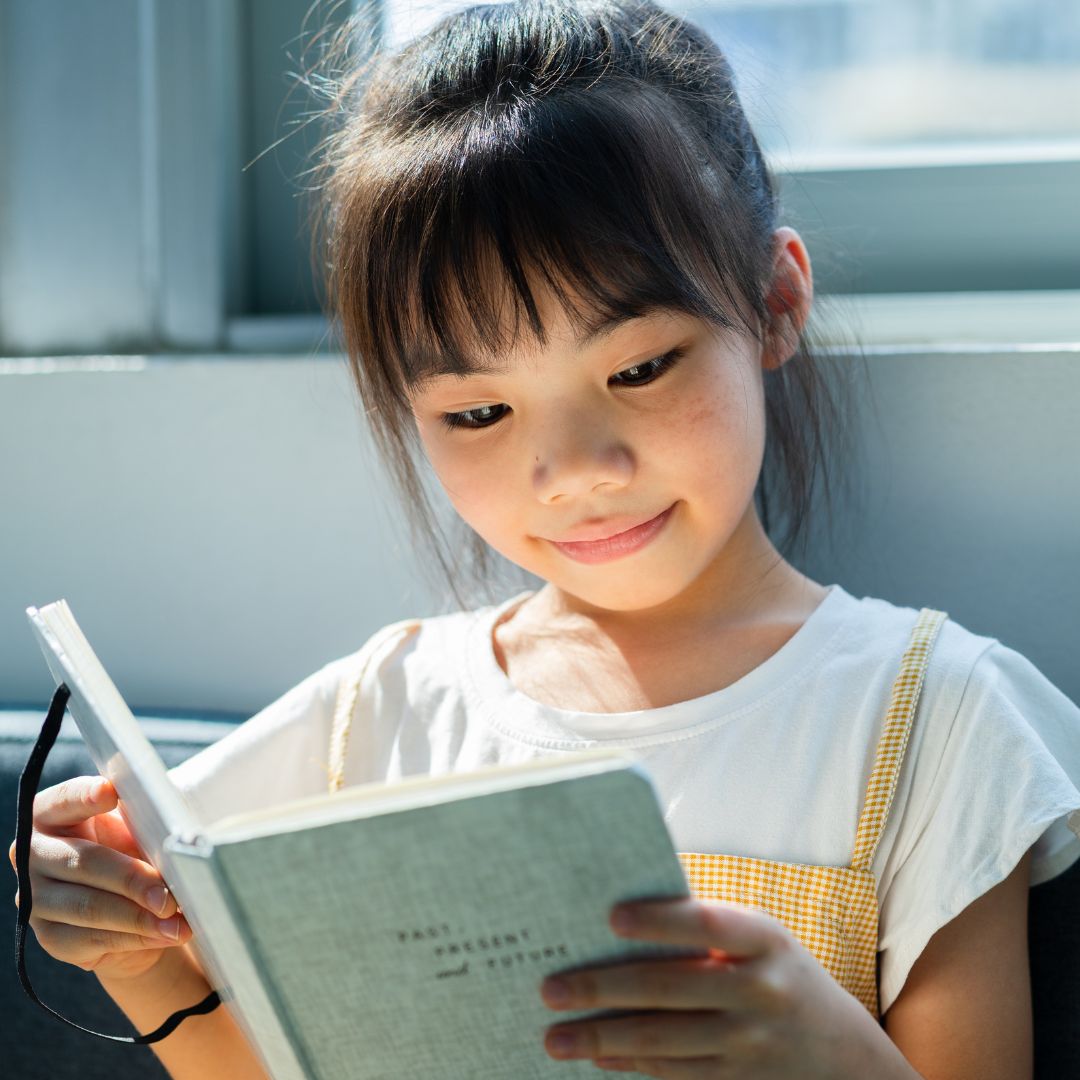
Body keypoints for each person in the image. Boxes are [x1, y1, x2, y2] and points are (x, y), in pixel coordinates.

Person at [11, 1, 1080, 1077]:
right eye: (479, 414)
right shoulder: (379, 716)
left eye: (637, 368)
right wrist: (124, 944)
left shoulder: (931, 718)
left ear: (773, 303)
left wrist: (827, 1051)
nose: (574, 472)